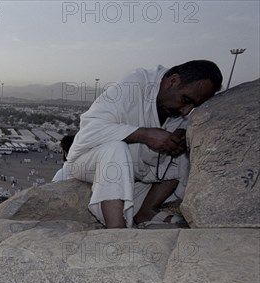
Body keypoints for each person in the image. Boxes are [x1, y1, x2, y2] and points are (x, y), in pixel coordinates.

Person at [66, 60, 222, 228]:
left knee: (184, 151)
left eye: (193, 106)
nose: (185, 110)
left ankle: (146, 211)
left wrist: (180, 134)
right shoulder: (136, 83)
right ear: (173, 81)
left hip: (137, 172)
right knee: (115, 148)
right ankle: (116, 229)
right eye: (185, 100)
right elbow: (90, 129)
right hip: (90, 160)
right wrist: (144, 134)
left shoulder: (180, 108)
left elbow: (187, 122)